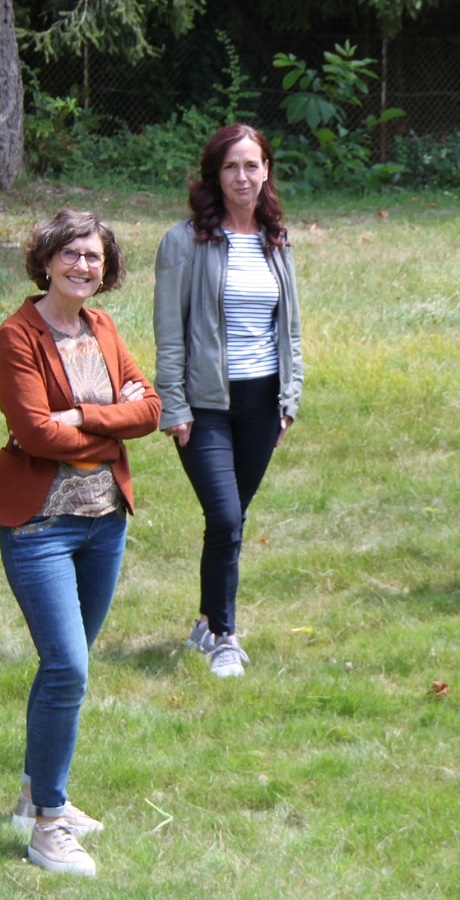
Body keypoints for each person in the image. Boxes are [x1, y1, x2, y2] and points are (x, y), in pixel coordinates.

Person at [0, 210, 161, 876]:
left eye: (93, 257)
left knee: (67, 668)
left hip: (104, 525)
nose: (82, 266)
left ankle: (38, 794)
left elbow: (149, 408)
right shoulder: (16, 335)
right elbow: (36, 434)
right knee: (67, 665)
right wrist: (111, 427)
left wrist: (87, 419)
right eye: (70, 254)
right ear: (45, 260)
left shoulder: (103, 327)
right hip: (38, 527)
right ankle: (47, 829)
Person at [154, 123, 303, 676]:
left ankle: (203, 621)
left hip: (264, 403)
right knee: (224, 515)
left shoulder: (276, 238)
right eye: (231, 166)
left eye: (252, 165)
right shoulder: (185, 241)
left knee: (230, 520)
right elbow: (169, 333)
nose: (242, 176)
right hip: (205, 403)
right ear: (215, 175)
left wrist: (290, 396)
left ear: (266, 172)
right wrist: (174, 404)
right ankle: (224, 636)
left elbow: (290, 329)